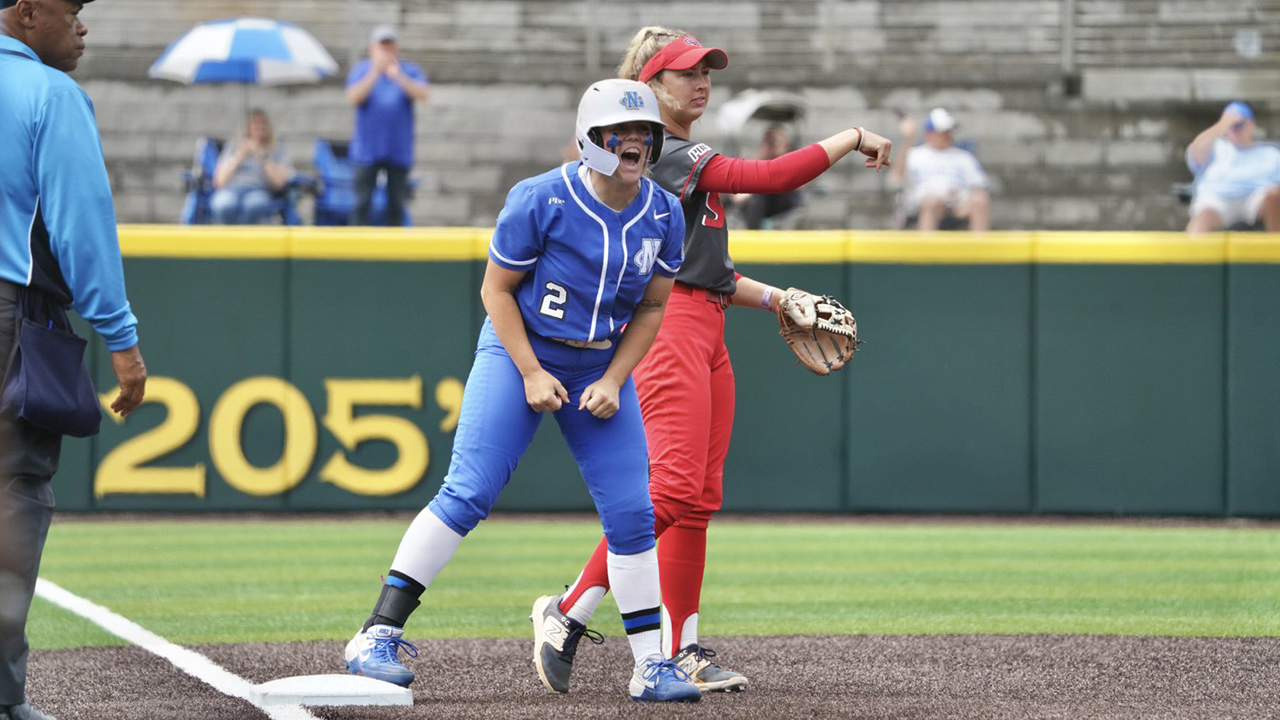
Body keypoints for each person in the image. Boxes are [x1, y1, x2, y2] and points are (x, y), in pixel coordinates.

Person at [531, 27, 891, 696]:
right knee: (669, 490)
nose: (701, 83)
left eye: (708, 73)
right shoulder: (660, 149)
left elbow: (711, 274)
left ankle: (682, 648)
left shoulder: (684, 165)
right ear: (650, 86)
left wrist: (781, 296)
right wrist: (850, 137)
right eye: (685, 73)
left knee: (695, 501)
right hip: (668, 330)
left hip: (706, 325)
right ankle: (569, 610)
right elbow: (768, 176)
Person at [343, 79, 700, 703]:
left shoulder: (664, 212)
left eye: (645, 132)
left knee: (633, 513)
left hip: (597, 367)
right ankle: (375, 633)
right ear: (592, 139)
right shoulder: (540, 198)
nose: (636, 143)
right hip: (521, 353)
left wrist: (616, 378)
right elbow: (496, 291)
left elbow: (651, 309)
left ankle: (651, 665)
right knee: (468, 491)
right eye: (623, 132)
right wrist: (533, 371)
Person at [0, 1, 147, 719]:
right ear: (26, 13)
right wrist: (120, 339)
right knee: (13, 495)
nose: (82, 26)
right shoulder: (50, 94)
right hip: (9, 321)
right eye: (71, 10)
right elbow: (81, 226)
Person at [344, 24, 429, 226]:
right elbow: (353, 97)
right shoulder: (362, 70)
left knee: (396, 204)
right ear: (372, 48)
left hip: (398, 150)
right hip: (366, 151)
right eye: (382, 46)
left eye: (390, 45)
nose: (387, 50)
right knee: (361, 203)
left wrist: (398, 76)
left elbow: (424, 94)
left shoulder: (408, 70)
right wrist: (375, 72)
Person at [1185, 101, 1280, 234]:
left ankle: (1276, 249)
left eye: (1240, 124)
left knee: (1275, 197)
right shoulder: (1215, 148)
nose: (1236, 129)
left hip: (1256, 197)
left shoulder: (1270, 153)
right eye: (1232, 126)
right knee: (1203, 217)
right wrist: (1223, 124)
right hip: (1218, 199)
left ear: (1252, 125)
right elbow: (1196, 149)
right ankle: (1192, 252)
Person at [891, 108, 990, 232]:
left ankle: (978, 248)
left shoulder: (963, 157)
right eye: (943, 131)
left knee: (980, 200)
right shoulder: (915, 154)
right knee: (933, 202)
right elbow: (896, 178)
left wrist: (961, 195)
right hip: (924, 205)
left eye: (950, 131)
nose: (949, 135)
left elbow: (979, 185)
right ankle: (926, 249)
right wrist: (909, 139)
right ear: (930, 133)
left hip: (957, 205)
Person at [208, 109, 292, 225]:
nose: (259, 127)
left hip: (258, 191)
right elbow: (219, 181)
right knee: (224, 205)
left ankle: (241, 238)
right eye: (255, 123)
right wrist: (239, 156)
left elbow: (279, 183)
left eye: (263, 123)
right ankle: (232, 237)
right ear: (247, 127)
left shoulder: (277, 148)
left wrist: (261, 155)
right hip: (231, 190)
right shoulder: (234, 146)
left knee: (255, 205)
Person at [732, 124, 804, 229]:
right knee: (755, 199)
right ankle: (753, 235)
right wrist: (765, 153)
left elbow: (800, 185)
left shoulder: (793, 157)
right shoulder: (760, 158)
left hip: (783, 198)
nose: (773, 143)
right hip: (762, 199)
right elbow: (743, 190)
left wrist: (781, 152)